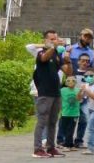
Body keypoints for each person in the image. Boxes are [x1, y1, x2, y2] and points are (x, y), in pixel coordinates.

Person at [33, 29, 67, 158]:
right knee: (42, 121)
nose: (54, 41)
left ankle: (51, 147)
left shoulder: (57, 55)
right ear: (45, 41)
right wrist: (53, 47)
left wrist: (67, 60)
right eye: (51, 39)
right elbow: (44, 58)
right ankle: (37, 149)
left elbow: (67, 71)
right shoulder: (41, 53)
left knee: (53, 121)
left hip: (56, 93)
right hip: (45, 93)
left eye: (56, 39)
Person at [73, 53, 94, 147]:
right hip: (74, 100)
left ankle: (79, 140)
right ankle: (66, 140)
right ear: (78, 62)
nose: (85, 63)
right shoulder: (73, 72)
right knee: (71, 121)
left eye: (87, 61)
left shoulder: (90, 74)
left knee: (84, 119)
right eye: (83, 60)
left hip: (86, 100)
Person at [58, 76, 81, 150]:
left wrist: (81, 92)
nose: (71, 82)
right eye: (68, 81)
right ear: (65, 82)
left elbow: (79, 99)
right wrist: (60, 109)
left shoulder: (78, 90)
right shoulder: (62, 90)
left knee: (71, 129)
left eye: (73, 81)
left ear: (76, 82)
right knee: (64, 129)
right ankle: (66, 145)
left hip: (74, 114)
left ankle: (69, 144)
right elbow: (59, 100)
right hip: (65, 113)